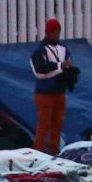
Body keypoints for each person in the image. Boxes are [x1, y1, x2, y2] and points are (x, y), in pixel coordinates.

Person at [29, 17, 77, 155]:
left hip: (60, 92)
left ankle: (55, 152)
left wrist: (68, 73)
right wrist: (60, 67)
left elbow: (68, 66)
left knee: (58, 125)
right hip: (44, 93)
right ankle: (39, 153)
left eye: (58, 32)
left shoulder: (63, 49)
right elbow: (40, 72)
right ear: (47, 33)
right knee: (44, 125)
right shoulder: (39, 50)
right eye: (53, 33)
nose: (56, 35)